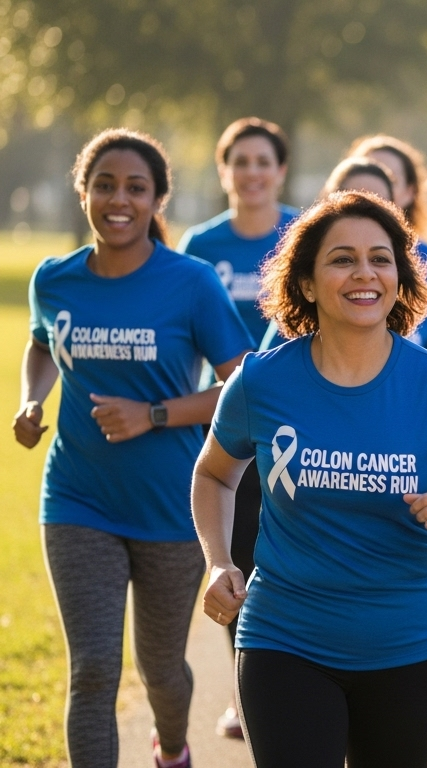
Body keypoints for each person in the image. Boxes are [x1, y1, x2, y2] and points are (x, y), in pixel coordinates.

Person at [192, 191, 427, 767]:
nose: (365, 273)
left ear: (400, 277)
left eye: (381, 259)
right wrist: (218, 560)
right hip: (283, 642)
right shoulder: (262, 381)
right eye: (342, 259)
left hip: (409, 650)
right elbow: (214, 473)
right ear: (307, 283)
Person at [15, 128, 253, 768]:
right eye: (104, 185)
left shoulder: (192, 282)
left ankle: (172, 749)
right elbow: (43, 344)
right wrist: (32, 399)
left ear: (156, 200)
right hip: (76, 498)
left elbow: (242, 385)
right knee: (92, 668)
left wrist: (154, 414)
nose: (118, 199)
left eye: (135, 188)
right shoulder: (55, 279)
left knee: (162, 670)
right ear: (83, 192)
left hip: (169, 505)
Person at [176, 115, 298, 741]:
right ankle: (242, 689)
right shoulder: (200, 246)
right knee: (239, 559)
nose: (251, 173)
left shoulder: (304, 232)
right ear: (224, 172)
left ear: (280, 171)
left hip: (303, 425)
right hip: (231, 426)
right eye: (239, 162)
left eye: (262, 161)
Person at [348, 134, 427, 342]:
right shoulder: (316, 259)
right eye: (365, 170)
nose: (370, 188)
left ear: (409, 192)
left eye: (388, 177)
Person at [324, 156, 427, 355]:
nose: (365, 215)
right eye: (343, 260)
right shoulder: (309, 304)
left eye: (378, 204)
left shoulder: (420, 298)